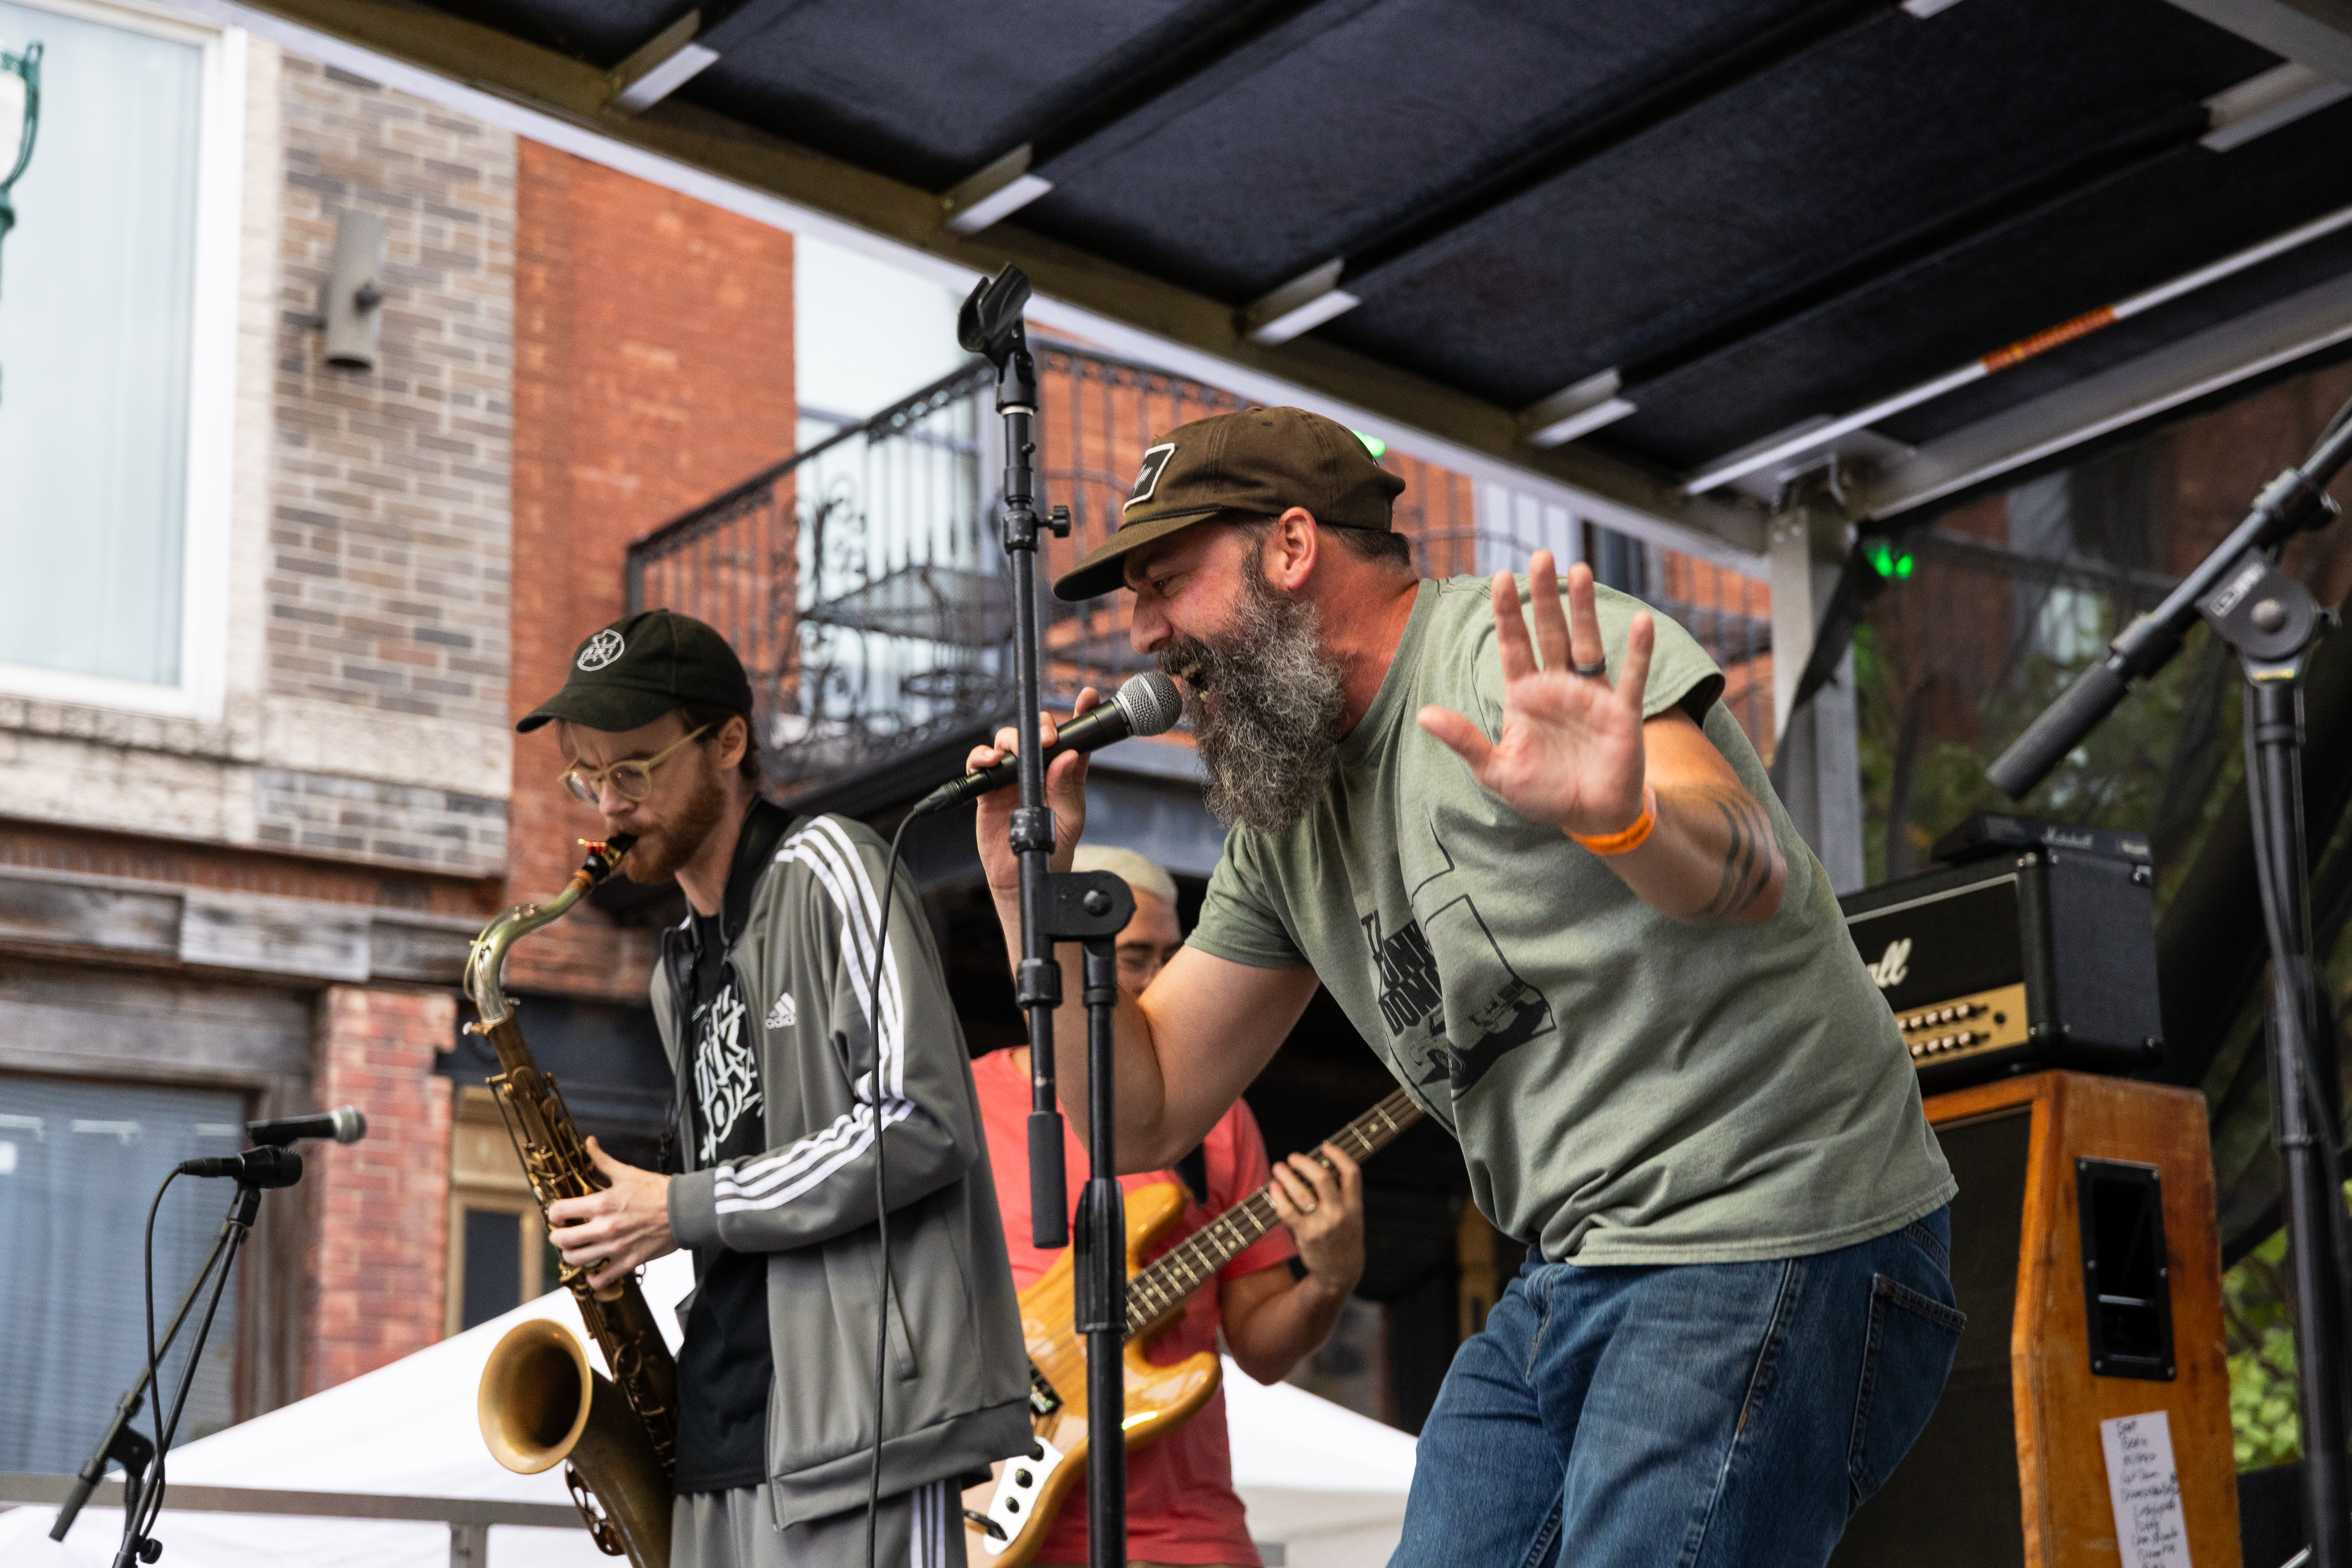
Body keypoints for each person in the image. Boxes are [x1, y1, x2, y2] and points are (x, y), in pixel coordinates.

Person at [967, 407, 1962, 1568]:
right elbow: (1142, 1115)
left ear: (1292, 549)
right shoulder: (1286, 829)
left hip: (1763, 1224)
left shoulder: (1509, 657)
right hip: (1575, 1269)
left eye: (1167, 581)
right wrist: (1026, 894)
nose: (1141, 632)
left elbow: (1748, 867)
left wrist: (1630, 819)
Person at [525, 608, 1029, 1568]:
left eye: (635, 767)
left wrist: (679, 1205)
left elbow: (922, 1118)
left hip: (862, 1432)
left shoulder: (830, 863)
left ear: (727, 743)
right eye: (589, 775)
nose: (609, 802)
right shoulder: (672, 969)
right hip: (721, 1437)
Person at [969, 844, 1367, 1568]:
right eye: (1132, 958)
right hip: (998, 1526)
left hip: (1186, 1539)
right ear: (1057, 960)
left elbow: (1262, 1352)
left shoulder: (1217, 1117)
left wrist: (1331, 1281)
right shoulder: (961, 1108)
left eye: (1171, 959)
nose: (1158, 983)